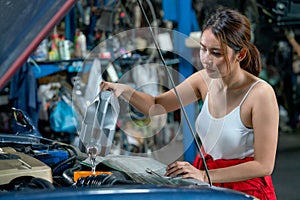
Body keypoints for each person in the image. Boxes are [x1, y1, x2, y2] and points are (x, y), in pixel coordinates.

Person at [100, 7, 278, 200]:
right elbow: (155, 105)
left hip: (246, 191)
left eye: (216, 53)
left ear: (240, 55)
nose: (206, 59)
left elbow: (263, 165)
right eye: (203, 49)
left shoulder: (260, 94)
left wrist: (203, 175)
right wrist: (124, 90)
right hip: (209, 185)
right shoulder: (203, 80)